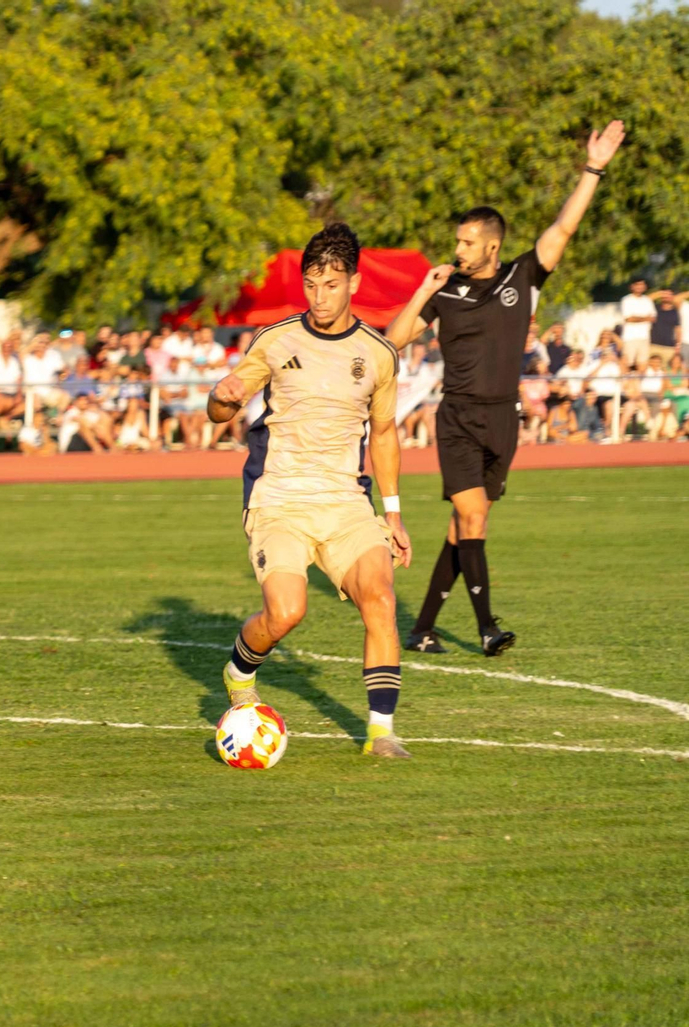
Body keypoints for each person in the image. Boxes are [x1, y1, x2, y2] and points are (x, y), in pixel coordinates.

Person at [387, 119, 625, 657]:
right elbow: (394, 339)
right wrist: (422, 290)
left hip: (503, 418)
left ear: (493, 246)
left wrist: (593, 169)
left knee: (467, 525)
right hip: (458, 417)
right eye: (458, 240)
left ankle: (422, 629)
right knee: (472, 517)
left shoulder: (522, 277)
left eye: (468, 242)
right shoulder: (444, 292)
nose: (459, 249)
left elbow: (562, 229)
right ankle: (487, 628)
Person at [207, 222, 414, 758]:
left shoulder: (379, 354)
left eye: (331, 284)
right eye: (311, 285)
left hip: (347, 503)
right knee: (286, 613)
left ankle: (381, 733)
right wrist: (222, 397)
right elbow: (220, 409)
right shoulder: (275, 340)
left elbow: (384, 434)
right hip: (279, 500)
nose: (320, 297)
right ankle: (239, 671)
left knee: (381, 597)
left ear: (354, 283)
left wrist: (392, 514)